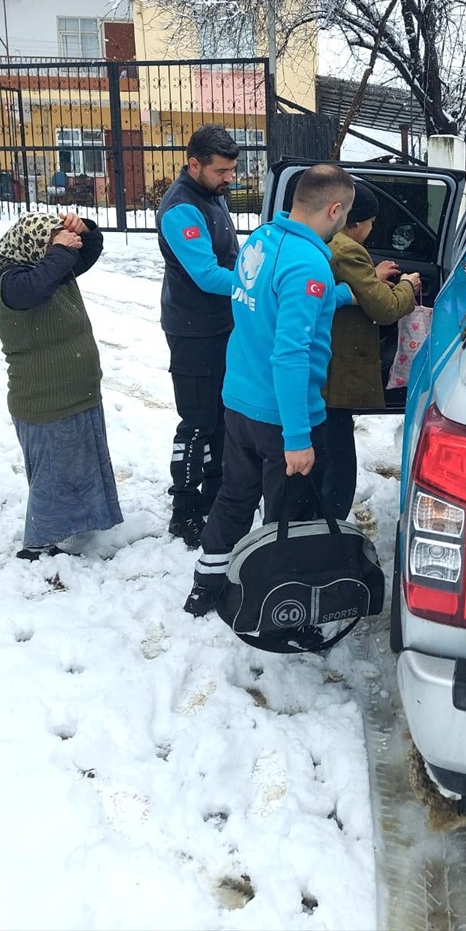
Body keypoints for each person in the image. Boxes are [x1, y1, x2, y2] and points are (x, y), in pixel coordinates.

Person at [185, 163, 356, 616]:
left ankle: (208, 583)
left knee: (234, 496)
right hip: (282, 420)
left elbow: (270, 304)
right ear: (334, 209)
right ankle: (279, 602)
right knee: (290, 518)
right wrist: (298, 439)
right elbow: (290, 354)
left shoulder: (261, 240)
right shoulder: (308, 262)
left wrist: (338, 295)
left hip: (240, 404)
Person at [0, 211, 122, 560]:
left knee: (80, 465)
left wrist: (85, 230)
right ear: (34, 245)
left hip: (77, 393)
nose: (65, 247)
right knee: (53, 477)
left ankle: (79, 525)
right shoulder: (14, 282)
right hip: (45, 400)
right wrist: (59, 250)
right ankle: (38, 544)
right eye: (53, 240)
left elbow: (88, 252)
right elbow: (38, 285)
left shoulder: (52, 270)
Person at [157, 125, 240, 547]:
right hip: (192, 330)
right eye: (223, 171)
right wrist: (254, 285)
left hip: (221, 325)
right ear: (195, 164)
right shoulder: (180, 209)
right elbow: (207, 275)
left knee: (222, 417)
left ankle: (215, 495)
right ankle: (184, 510)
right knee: (197, 423)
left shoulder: (211, 197)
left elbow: (230, 255)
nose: (230, 179)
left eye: (232, 170)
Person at [322, 183, 421, 518]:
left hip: (324, 368)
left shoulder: (331, 242)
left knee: (330, 451)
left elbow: (356, 285)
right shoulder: (349, 249)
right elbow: (386, 308)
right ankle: (328, 530)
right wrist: (408, 286)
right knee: (337, 465)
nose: (372, 229)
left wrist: (372, 277)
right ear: (357, 223)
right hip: (335, 374)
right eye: (372, 222)